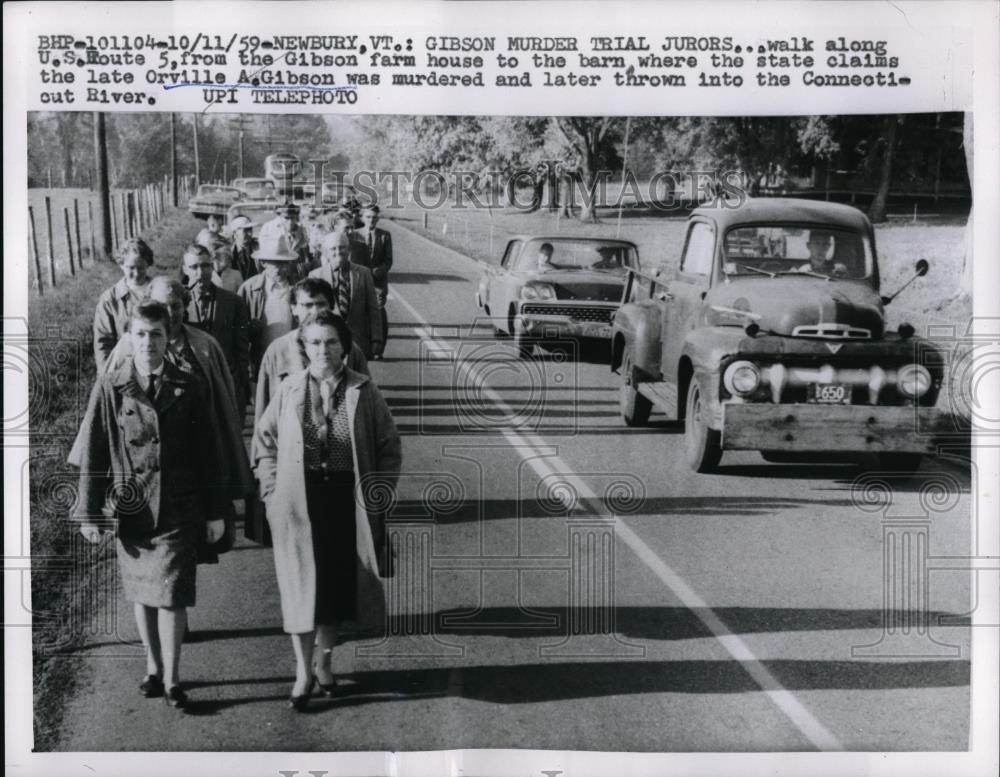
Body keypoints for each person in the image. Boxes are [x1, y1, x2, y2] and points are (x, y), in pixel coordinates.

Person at [70, 300, 230, 709]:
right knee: (142, 594)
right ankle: (153, 667)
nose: (148, 343)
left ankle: (174, 678)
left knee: (173, 594)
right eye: (139, 334)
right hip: (133, 506)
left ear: (168, 336)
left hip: (179, 506)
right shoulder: (112, 383)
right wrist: (88, 512)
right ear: (128, 337)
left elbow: (209, 451)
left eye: (156, 334)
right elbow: (96, 450)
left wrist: (216, 511)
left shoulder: (189, 384)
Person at [253, 309, 401, 710]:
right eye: (315, 342)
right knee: (301, 589)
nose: (323, 350)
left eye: (331, 342)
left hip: (344, 503)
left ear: (344, 346)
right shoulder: (289, 390)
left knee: (333, 592)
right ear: (303, 346)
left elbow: (389, 448)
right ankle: (302, 671)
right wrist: (271, 493)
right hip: (298, 503)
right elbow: (264, 443)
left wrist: (378, 493)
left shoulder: (363, 391)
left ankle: (325, 662)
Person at [88, 277, 254, 523]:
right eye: (162, 305)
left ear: (185, 306)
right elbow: (104, 408)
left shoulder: (204, 344)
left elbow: (223, 404)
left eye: (175, 305)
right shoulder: (128, 346)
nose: (170, 312)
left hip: (195, 448)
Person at [247, 278, 369, 546]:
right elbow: (263, 422)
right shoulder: (277, 352)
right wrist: (267, 487)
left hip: (339, 475)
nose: (313, 312)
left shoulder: (350, 350)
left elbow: (365, 409)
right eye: (306, 305)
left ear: (332, 307)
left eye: (321, 304)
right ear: (293, 308)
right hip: (292, 475)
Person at [181, 244, 252, 414]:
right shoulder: (177, 303)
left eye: (205, 265)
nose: (200, 272)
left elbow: (242, 348)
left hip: (226, 380)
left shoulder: (233, 302)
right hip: (191, 383)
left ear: (212, 266)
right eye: (194, 267)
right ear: (185, 269)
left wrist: (240, 384)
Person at [309, 231, 383, 359]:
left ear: (349, 250)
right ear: (326, 252)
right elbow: (311, 313)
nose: (338, 251)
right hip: (327, 343)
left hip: (358, 343)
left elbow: (373, 309)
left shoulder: (363, 273)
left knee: (358, 377)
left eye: (342, 247)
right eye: (333, 248)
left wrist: (377, 338)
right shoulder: (316, 275)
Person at [238, 232, 298, 374]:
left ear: (289, 263)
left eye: (283, 263)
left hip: (293, 357)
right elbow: (238, 329)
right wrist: (250, 329)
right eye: (274, 263)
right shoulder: (250, 288)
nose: (278, 268)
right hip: (262, 358)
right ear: (263, 262)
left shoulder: (298, 287)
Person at [93, 238, 153, 373]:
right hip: (125, 368)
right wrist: (106, 378)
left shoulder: (158, 291)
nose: (137, 273)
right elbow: (103, 342)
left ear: (147, 264)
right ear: (121, 265)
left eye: (141, 267)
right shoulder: (110, 300)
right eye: (131, 268)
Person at [355, 205, 393, 360]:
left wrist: (378, 271)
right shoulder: (355, 235)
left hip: (377, 281)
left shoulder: (385, 236)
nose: (371, 220)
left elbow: (388, 261)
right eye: (368, 217)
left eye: (374, 217)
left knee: (378, 311)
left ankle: (379, 348)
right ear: (363, 218)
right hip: (359, 278)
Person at [259, 202, 310, 277]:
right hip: (275, 269)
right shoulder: (268, 228)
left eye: (293, 218)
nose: (290, 222)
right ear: (279, 216)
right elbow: (264, 254)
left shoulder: (301, 229)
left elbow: (304, 250)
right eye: (286, 218)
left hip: (294, 269)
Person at [228, 215, 259, 280]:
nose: (250, 233)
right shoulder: (227, 253)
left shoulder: (259, 249)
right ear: (235, 233)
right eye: (245, 230)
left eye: (250, 229)